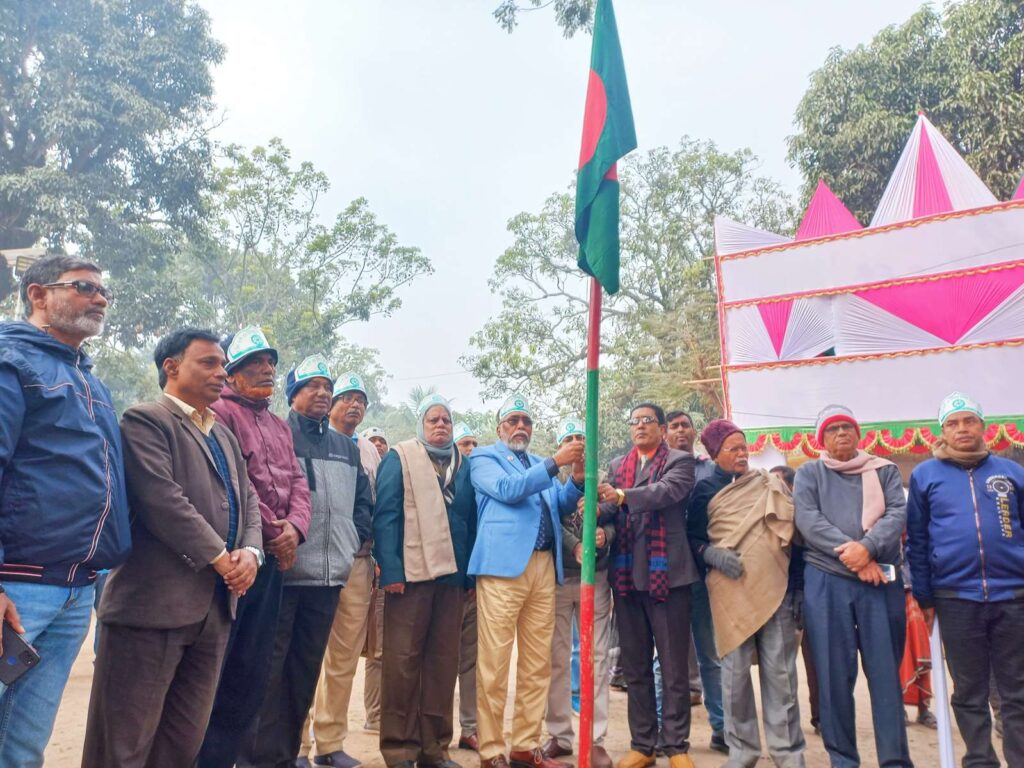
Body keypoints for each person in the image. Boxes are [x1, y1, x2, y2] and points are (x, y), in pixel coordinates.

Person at [82, 328, 262, 767]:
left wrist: (252, 553)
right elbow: (163, 501)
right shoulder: (145, 420)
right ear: (172, 367)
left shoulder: (222, 434)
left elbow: (250, 498)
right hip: (152, 608)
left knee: (181, 743)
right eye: (209, 363)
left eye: (223, 364)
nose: (222, 373)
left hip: (213, 612)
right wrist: (223, 559)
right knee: (123, 745)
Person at [0, 255, 131, 766]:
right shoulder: (12, 362)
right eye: (83, 287)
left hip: (75, 590)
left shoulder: (92, 385)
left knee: (25, 740)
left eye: (104, 291)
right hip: (18, 588)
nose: (99, 297)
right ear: (38, 295)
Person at [246, 355, 373, 768]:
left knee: (305, 671)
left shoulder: (346, 448)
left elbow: (362, 505)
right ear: (292, 394)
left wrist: (348, 541)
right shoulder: (277, 435)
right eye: (311, 386)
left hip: (329, 577)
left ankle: (303, 753)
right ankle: (269, 757)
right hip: (284, 574)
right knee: (271, 674)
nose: (322, 393)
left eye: (326, 386)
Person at [197, 325, 312, 768]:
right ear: (232, 373)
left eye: (270, 364)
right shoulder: (219, 414)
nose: (266, 370)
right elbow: (236, 486)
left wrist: (295, 530)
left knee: (253, 669)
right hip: (236, 560)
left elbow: (298, 482)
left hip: (273, 563)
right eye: (254, 364)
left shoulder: (278, 424)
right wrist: (272, 532)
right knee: (219, 669)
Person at [907, 392, 1024, 767]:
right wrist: (925, 596)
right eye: (953, 423)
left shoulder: (1011, 473)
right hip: (955, 598)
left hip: (1013, 597)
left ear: (983, 426)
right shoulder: (926, 475)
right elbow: (918, 540)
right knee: (969, 692)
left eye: (969, 420)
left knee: (1016, 691)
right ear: (942, 430)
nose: (962, 429)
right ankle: (980, 760)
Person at [469, 394, 585, 768]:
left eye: (527, 421)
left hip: (543, 567)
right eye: (514, 420)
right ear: (500, 426)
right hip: (502, 569)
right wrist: (556, 463)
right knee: (495, 663)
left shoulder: (539, 463)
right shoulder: (483, 458)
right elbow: (509, 490)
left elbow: (559, 506)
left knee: (537, 663)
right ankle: (490, 751)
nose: (521, 426)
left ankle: (524, 746)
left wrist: (577, 482)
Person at [794, 405, 912, 768]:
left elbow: (897, 514)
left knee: (884, 673)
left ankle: (894, 760)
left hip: (880, 580)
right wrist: (858, 556)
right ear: (821, 440)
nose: (842, 433)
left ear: (858, 434)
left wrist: (869, 548)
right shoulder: (809, 473)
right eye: (833, 429)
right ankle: (842, 759)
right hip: (827, 580)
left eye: (847, 427)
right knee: (832, 675)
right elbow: (809, 522)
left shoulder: (884, 469)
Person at [688, 420, 805, 768]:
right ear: (715, 454)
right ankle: (743, 752)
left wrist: (797, 589)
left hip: (776, 592)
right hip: (729, 594)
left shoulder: (769, 483)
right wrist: (710, 554)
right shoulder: (705, 490)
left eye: (744, 447)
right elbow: (692, 539)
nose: (742, 454)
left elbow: (793, 536)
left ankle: (788, 754)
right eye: (733, 449)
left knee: (781, 677)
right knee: (734, 676)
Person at [374, 394, 478, 768]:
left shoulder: (464, 465)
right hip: (411, 577)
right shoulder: (399, 458)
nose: (440, 425)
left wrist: (469, 576)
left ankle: (435, 749)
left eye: (446, 420)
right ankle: (400, 750)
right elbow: (385, 516)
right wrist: (392, 571)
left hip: (452, 579)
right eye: (433, 419)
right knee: (402, 663)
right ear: (421, 425)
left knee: (442, 664)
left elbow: (470, 522)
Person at [597, 403, 697, 768]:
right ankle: (643, 745)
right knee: (635, 667)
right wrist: (594, 509)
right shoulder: (618, 466)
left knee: (673, 668)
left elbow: (666, 493)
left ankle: (677, 746)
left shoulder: (680, 462)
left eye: (647, 421)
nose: (640, 426)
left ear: (662, 428)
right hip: (626, 579)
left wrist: (621, 497)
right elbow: (608, 509)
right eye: (634, 421)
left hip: (667, 576)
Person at [302, 372, 380, 767]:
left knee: (344, 658)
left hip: (358, 563)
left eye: (360, 399)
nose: (354, 405)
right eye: (346, 398)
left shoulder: (367, 451)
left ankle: (329, 744)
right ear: (330, 406)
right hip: (312, 564)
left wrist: (356, 543)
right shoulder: (307, 439)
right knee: (306, 654)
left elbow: (370, 505)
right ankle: (297, 743)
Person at [543, 418, 616, 768]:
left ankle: (596, 738)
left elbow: (617, 520)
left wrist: (606, 536)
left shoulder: (603, 484)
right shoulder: (550, 485)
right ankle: (559, 735)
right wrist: (575, 545)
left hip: (596, 580)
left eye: (579, 438)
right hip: (558, 581)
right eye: (568, 438)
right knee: (556, 659)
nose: (575, 443)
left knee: (597, 658)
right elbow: (550, 521)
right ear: (560, 447)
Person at [665, 409, 725, 752]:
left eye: (685, 425)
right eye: (673, 426)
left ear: (694, 431)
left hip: (704, 573)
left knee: (710, 654)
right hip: (667, 574)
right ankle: (667, 731)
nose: (680, 431)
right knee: (666, 657)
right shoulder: (657, 468)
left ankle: (721, 726)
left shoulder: (709, 470)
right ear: (664, 432)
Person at [773, 465, 821, 738]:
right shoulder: (768, 514)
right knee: (783, 667)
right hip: (782, 598)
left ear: (792, 487)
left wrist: (802, 592)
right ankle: (786, 728)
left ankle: (821, 718)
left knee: (817, 661)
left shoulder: (803, 513)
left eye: (779, 483)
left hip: (810, 594)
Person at [452, 422, 480, 751]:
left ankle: (470, 727)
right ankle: (438, 728)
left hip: (476, 582)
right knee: (442, 658)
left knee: (471, 661)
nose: (470, 448)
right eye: (464, 443)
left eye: (474, 442)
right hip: (447, 583)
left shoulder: (481, 480)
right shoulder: (447, 480)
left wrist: (473, 579)